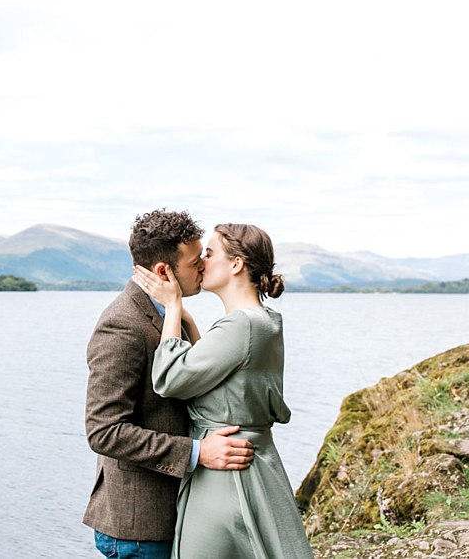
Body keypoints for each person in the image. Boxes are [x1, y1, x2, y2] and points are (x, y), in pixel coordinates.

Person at [132, 223, 314, 558]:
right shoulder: (264, 320)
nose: (201, 262)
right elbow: (219, 377)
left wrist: (173, 308)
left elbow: (169, 379)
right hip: (248, 462)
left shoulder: (241, 324)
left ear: (236, 264)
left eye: (209, 253)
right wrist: (190, 324)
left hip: (225, 474)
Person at [84, 210, 255, 558]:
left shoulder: (168, 313)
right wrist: (197, 452)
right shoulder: (122, 325)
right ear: (164, 271)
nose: (204, 266)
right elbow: (104, 431)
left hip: (171, 514)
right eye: (195, 262)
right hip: (138, 528)